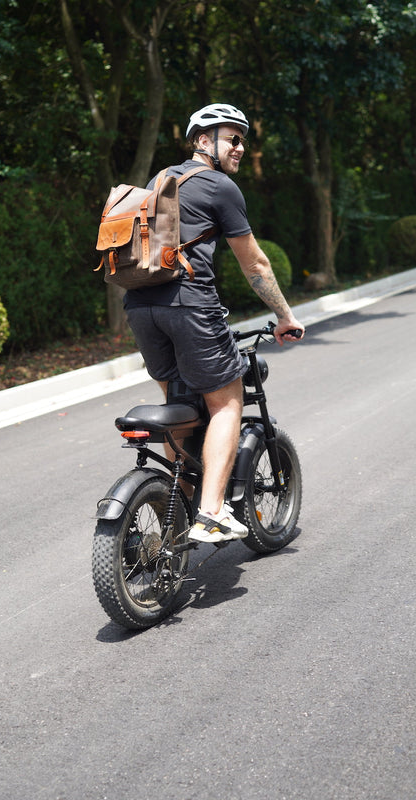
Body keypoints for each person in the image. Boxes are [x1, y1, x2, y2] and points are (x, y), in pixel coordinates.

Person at [124, 103, 305, 544]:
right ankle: (210, 513)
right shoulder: (220, 186)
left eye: (244, 139)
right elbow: (255, 264)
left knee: (177, 406)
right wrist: (284, 316)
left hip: (141, 308)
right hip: (190, 307)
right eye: (233, 138)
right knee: (226, 403)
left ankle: (176, 510)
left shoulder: (161, 179)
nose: (241, 147)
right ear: (204, 141)